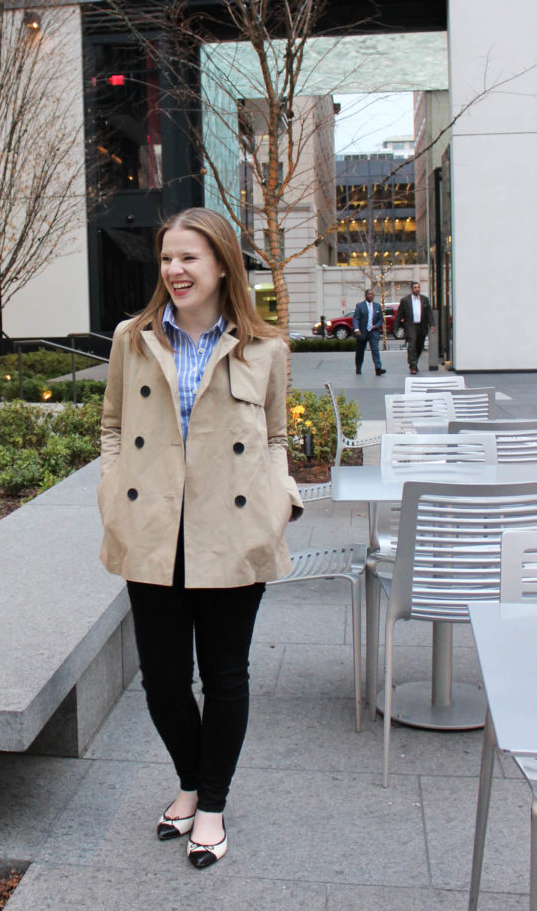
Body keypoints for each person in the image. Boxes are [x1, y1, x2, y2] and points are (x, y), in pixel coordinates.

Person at [97, 207, 303, 870]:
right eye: (166, 259)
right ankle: (190, 781)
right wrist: (111, 492)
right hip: (152, 531)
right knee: (161, 682)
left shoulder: (265, 346)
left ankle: (208, 803)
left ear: (221, 264)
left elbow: (275, 437)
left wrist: (280, 501)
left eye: (188, 257)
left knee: (224, 677)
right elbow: (109, 426)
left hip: (233, 533)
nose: (175, 270)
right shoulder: (132, 339)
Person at [393, 281, 435, 374]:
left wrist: (432, 325)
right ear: (411, 289)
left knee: (419, 346)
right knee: (412, 345)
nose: (417, 289)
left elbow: (429, 313)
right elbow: (399, 315)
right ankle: (413, 366)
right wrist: (395, 328)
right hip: (410, 326)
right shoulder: (405, 300)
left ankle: (414, 361)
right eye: (415, 287)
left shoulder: (424, 299)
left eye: (418, 287)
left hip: (422, 325)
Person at [353, 288, 386, 376]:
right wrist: (357, 329)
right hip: (362, 331)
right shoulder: (360, 306)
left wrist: (376, 326)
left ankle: (378, 368)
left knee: (375, 350)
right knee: (360, 351)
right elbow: (356, 318)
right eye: (369, 294)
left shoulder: (377, 306)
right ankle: (358, 367)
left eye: (372, 294)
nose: (371, 296)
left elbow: (381, 319)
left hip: (373, 332)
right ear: (365, 295)